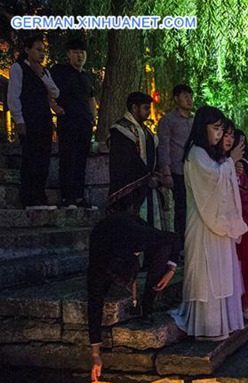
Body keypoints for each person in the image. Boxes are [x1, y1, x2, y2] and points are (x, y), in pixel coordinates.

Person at [170, 106, 247, 340]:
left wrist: (229, 165)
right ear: (203, 128)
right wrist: (230, 163)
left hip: (217, 222)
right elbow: (212, 182)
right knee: (207, 274)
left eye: (221, 130)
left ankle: (222, 323)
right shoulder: (195, 154)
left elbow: (220, 176)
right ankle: (207, 326)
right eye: (215, 129)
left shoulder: (209, 155)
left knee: (220, 271)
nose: (219, 134)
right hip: (203, 222)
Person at [87, 206, 181, 381]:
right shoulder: (98, 266)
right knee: (97, 289)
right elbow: (94, 306)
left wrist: (171, 270)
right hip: (104, 234)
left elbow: (174, 238)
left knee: (162, 251)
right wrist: (95, 355)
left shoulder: (141, 237)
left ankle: (147, 306)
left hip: (128, 224)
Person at [7, 34, 61, 210]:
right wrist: (19, 120)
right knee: (31, 158)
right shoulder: (18, 68)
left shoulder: (45, 72)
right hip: (29, 118)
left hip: (44, 119)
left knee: (43, 159)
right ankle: (28, 197)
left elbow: (55, 93)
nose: (41, 54)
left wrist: (42, 76)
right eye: (38, 50)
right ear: (27, 50)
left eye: (43, 51)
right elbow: (14, 96)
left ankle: (40, 195)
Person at [51, 38, 97, 209]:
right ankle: (67, 196)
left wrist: (93, 117)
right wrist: (55, 107)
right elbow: (48, 89)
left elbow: (91, 98)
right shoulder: (60, 71)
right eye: (76, 52)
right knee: (68, 158)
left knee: (81, 160)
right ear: (69, 54)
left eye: (82, 52)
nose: (80, 56)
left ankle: (78, 196)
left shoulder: (86, 76)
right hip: (68, 121)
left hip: (85, 123)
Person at [107, 91, 163, 226]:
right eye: (145, 108)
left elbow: (155, 156)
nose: (148, 112)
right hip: (129, 190)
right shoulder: (120, 130)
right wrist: (145, 178)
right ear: (134, 108)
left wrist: (156, 177)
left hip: (148, 187)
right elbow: (125, 160)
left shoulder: (148, 132)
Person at [156, 84, 193, 240]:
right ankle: (180, 244)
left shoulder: (195, 121)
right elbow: (164, 147)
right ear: (176, 99)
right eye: (185, 96)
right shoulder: (168, 120)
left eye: (191, 96)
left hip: (194, 171)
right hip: (178, 171)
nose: (189, 100)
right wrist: (166, 172)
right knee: (181, 208)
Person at [230, 128, 248, 320]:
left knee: (244, 261)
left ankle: (246, 302)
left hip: (245, 217)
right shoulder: (227, 164)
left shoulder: (246, 166)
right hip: (231, 217)